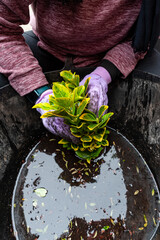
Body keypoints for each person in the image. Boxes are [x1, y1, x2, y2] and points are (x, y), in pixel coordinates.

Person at [0, 0, 159, 142]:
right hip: (47, 47)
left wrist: (104, 74)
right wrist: (39, 92)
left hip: (121, 50)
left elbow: (145, 34)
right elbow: (3, 29)